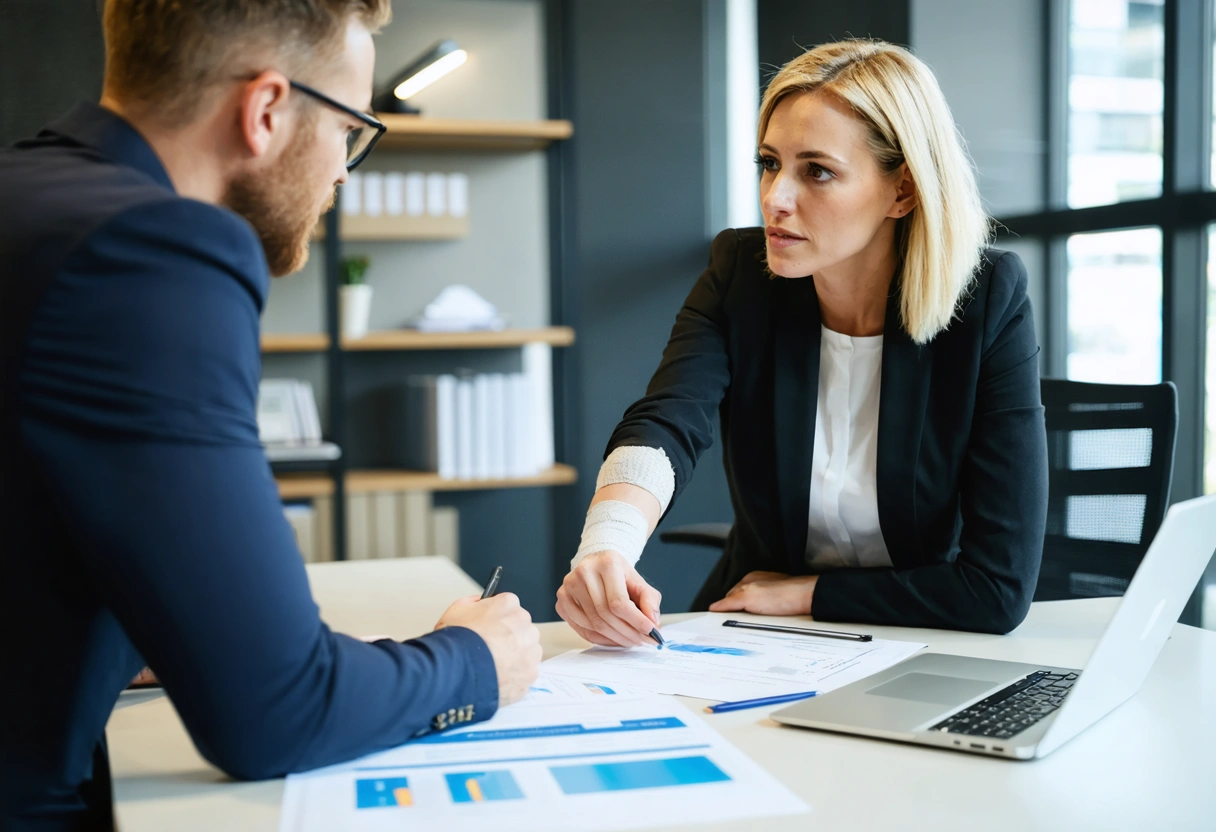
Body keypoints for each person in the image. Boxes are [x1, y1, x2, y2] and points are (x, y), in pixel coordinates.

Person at [0, 1, 541, 828]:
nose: (343, 172)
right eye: (350, 131)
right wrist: (475, 660)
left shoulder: (30, 196)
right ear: (265, 111)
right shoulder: (152, 252)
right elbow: (277, 713)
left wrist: (140, 638)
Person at [556, 40, 1049, 647]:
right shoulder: (740, 274)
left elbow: (997, 591)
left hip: (922, 631)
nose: (775, 198)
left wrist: (809, 593)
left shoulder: (987, 299)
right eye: (770, 163)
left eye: (816, 171)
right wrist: (608, 542)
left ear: (903, 191)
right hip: (757, 629)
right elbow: (668, 421)